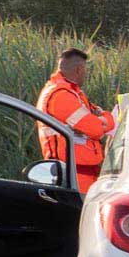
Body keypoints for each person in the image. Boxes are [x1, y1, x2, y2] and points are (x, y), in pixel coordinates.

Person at [36, 48, 116, 191]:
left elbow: (98, 118)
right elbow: (96, 129)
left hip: (80, 173)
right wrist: (106, 119)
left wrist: (102, 119)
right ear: (79, 69)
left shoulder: (72, 93)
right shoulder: (61, 95)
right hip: (73, 176)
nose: (86, 74)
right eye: (85, 70)